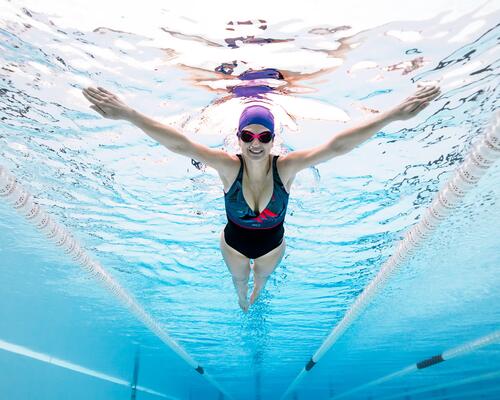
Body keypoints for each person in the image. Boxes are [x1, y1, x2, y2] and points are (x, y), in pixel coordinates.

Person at [82, 84, 440, 311]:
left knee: (261, 282)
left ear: (273, 139)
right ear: (238, 137)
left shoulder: (287, 168)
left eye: (264, 136)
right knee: (240, 283)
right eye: (248, 136)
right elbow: (180, 144)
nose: (255, 144)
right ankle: (243, 298)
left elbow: (337, 146)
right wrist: (128, 114)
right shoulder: (226, 167)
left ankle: (255, 295)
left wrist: (392, 115)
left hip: (272, 245)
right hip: (233, 244)